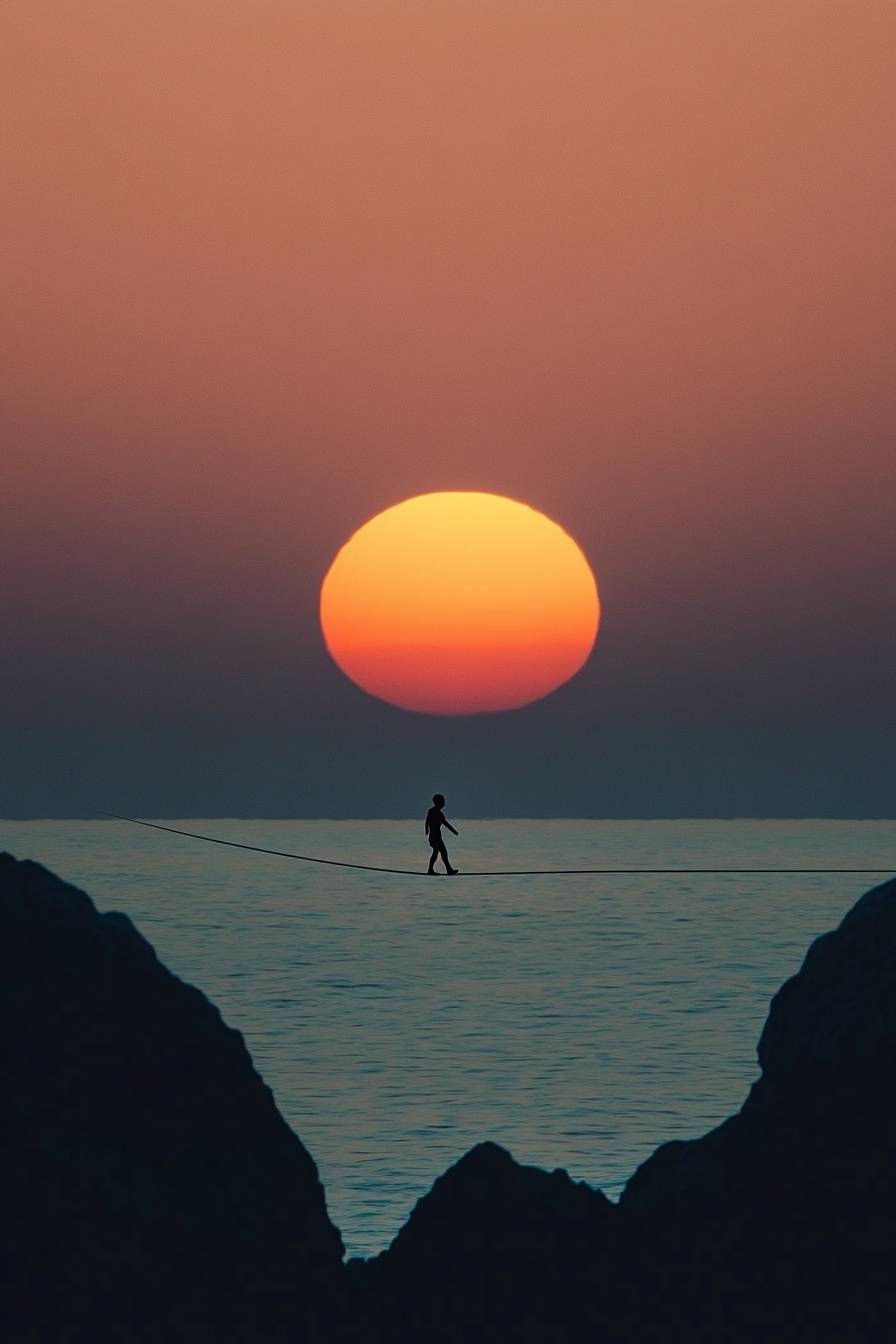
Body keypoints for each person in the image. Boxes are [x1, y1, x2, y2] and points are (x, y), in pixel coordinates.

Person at [425, 793, 458, 875]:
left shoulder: (438, 813)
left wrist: (453, 831)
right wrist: (427, 831)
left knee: (442, 853)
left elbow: (445, 823)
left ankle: (448, 869)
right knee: (440, 852)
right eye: (442, 801)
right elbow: (427, 821)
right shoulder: (433, 811)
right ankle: (431, 870)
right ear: (438, 802)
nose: (444, 803)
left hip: (436, 837)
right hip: (434, 837)